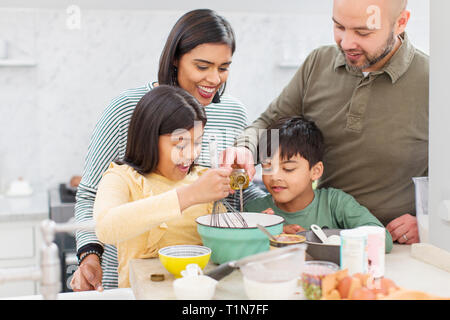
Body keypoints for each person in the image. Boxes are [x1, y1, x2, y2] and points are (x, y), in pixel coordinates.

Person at [72, 9, 266, 291]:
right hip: (128, 279)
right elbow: (91, 195)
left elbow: (234, 194)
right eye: (202, 66)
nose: (214, 79)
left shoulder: (234, 113)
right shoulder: (127, 109)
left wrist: (267, 205)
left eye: (223, 68)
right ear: (176, 58)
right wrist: (90, 255)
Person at [222, 0, 428, 245]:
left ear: (401, 23)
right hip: (320, 240)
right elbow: (268, 124)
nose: (347, 43)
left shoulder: (434, 80)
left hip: (394, 245)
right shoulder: (318, 63)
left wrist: (428, 220)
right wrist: (244, 148)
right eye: (339, 26)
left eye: (363, 32)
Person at [92, 85, 231, 288]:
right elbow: (105, 228)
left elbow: (224, 246)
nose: (191, 155)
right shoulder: (121, 178)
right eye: (180, 144)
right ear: (149, 138)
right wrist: (190, 195)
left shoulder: (202, 177)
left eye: (198, 142)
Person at [244, 116, 393, 252]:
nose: (275, 176)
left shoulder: (335, 203)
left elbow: (383, 240)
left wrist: (322, 241)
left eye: (288, 169)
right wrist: (268, 235)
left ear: (315, 171)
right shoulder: (255, 211)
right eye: (267, 167)